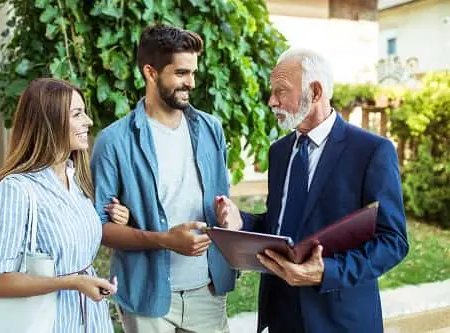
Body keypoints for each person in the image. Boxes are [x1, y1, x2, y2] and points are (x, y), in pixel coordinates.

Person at [216, 49, 409, 333]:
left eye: (281, 91)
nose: (272, 101)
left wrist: (326, 272)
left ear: (315, 91)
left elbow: (393, 241)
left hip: (341, 320)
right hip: (282, 316)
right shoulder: (279, 151)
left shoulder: (371, 151)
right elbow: (281, 224)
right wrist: (241, 222)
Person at [91, 24, 236, 333]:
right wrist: (165, 241)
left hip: (208, 290)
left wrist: (229, 214)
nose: (191, 82)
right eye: (181, 73)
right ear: (150, 72)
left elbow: (225, 199)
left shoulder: (212, 130)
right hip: (147, 297)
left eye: (193, 73)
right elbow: (100, 230)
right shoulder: (114, 141)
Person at [0, 78, 120, 333]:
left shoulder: (75, 178)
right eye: (77, 114)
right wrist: (73, 282)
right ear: (49, 123)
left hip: (92, 321)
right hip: (48, 324)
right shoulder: (17, 189)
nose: (87, 121)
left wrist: (117, 216)